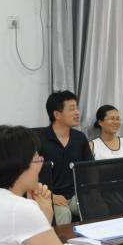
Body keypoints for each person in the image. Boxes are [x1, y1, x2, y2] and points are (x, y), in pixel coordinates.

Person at [39, 90, 93, 224]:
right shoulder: (39, 140)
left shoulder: (80, 138)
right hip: (50, 195)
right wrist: (51, 196)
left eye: (77, 108)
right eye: (72, 109)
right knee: (63, 213)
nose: (77, 112)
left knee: (94, 205)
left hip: (76, 194)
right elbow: (29, 175)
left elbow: (89, 168)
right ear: (57, 114)